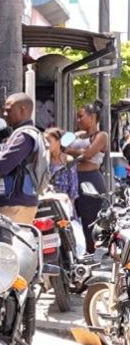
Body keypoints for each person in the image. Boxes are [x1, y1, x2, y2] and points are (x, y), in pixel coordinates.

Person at [0, 93, 44, 224]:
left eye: (8, 110)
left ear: (22, 109)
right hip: (18, 202)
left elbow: (1, 167)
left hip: (17, 204)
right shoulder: (25, 134)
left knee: (11, 244)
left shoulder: (24, 137)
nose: (5, 115)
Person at [68, 102, 109, 252]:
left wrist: (71, 151)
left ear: (92, 117)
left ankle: (92, 254)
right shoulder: (75, 134)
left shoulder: (102, 136)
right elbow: (58, 145)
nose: (78, 120)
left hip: (90, 180)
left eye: (81, 116)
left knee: (89, 220)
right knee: (70, 219)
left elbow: (88, 155)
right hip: (72, 180)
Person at [45, 127, 79, 205]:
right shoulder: (44, 160)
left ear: (58, 142)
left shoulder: (67, 160)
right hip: (47, 203)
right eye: (45, 141)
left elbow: (73, 188)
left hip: (64, 204)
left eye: (49, 141)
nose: (46, 144)